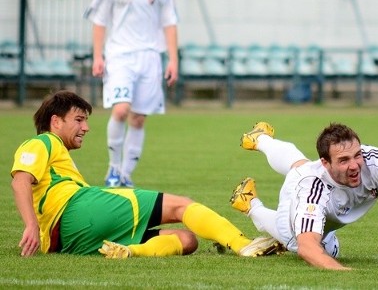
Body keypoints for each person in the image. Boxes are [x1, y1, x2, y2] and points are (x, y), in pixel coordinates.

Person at [10, 90, 282, 258]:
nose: (86, 128)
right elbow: (20, 179)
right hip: (75, 210)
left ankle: (130, 252)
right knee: (181, 205)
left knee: (186, 241)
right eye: (79, 120)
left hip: (67, 242)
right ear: (55, 121)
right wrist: (31, 224)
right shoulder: (43, 141)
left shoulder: (58, 157)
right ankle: (242, 243)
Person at [229, 121, 378, 270]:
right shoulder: (313, 189)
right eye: (343, 160)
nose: (355, 165)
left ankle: (260, 138)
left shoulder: (375, 160)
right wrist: (342, 272)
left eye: (356, 155)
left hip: (310, 176)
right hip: (296, 198)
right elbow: (307, 247)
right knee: (309, 245)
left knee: (300, 164)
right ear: (325, 163)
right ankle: (250, 204)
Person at [85, 0, 179, 188]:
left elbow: (170, 22)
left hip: (149, 57)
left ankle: (125, 175)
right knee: (121, 109)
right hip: (120, 55)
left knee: (138, 117)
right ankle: (113, 169)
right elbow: (99, 21)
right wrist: (97, 56)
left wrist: (173, 60)